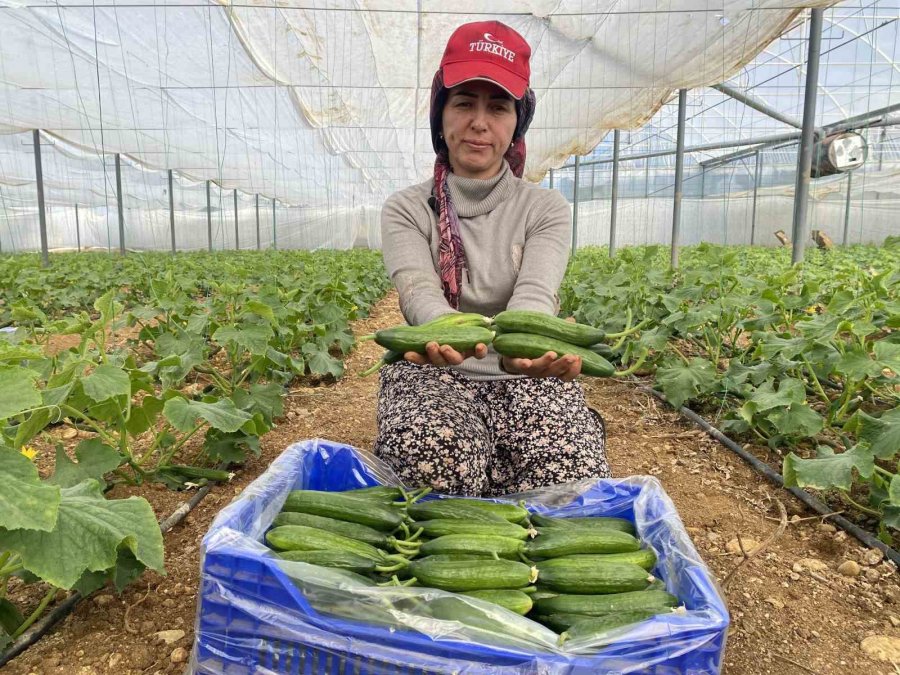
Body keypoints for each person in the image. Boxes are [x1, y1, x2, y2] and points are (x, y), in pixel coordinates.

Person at [374, 20, 609, 497]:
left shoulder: (545, 208)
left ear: (516, 123)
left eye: (498, 107)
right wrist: (448, 334)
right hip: (433, 370)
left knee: (570, 482)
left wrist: (530, 350)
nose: (479, 122)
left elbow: (533, 301)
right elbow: (419, 292)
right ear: (441, 116)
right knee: (430, 471)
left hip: (524, 375)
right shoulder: (406, 208)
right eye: (463, 103)